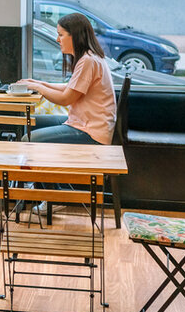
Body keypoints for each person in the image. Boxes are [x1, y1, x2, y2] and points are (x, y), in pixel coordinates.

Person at [16, 12, 116, 214]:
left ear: (75, 36)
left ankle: (52, 195)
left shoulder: (88, 61)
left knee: (30, 138)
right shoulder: (89, 57)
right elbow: (70, 88)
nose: (57, 39)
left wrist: (40, 89)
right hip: (84, 123)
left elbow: (66, 99)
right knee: (30, 123)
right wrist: (37, 83)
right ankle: (39, 184)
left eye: (61, 34)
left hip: (92, 133)